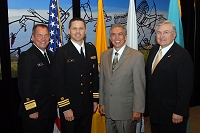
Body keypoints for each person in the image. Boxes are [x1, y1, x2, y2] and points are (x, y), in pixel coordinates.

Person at [145, 20, 194, 133]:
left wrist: (180, 111)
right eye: (159, 32)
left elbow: (185, 87)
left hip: (172, 114)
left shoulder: (182, 55)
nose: (162, 36)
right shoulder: (154, 50)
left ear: (174, 34)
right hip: (156, 112)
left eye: (166, 32)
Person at [51, 17, 99, 133]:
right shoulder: (62, 52)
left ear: (85, 30)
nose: (78, 32)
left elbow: (94, 78)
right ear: (69, 31)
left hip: (87, 105)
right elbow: (58, 83)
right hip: (71, 107)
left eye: (81, 28)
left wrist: (95, 100)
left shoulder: (91, 49)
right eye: (74, 28)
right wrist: (65, 108)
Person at [99, 23, 146, 133]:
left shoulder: (136, 56)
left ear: (125, 37)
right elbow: (102, 81)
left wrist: (137, 109)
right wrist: (102, 102)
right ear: (110, 38)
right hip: (109, 109)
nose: (116, 38)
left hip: (126, 111)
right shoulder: (104, 55)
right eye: (113, 35)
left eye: (120, 34)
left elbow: (139, 85)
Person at [18, 24, 57, 133]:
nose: (43, 39)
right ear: (33, 37)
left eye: (46, 35)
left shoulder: (50, 55)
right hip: (35, 112)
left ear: (49, 37)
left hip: (48, 111)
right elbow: (24, 85)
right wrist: (31, 109)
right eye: (40, 35)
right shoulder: (27, 56)